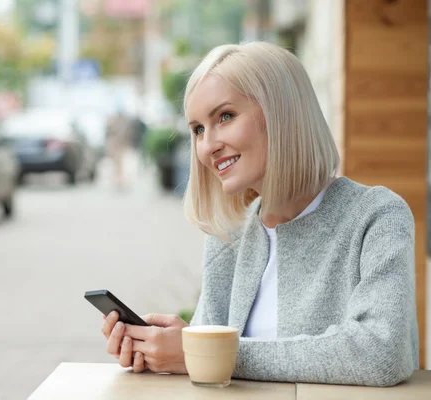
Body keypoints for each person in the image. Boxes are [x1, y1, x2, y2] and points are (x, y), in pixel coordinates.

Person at [100, 42, 419, 386]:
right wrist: (166, 352)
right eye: (198, 129)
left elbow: (380, 352)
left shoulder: (377, 216)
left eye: (225, 116)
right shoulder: (229, 237)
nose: (208, 146)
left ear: (282, 112)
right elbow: (211, 377)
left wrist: (204, 352)